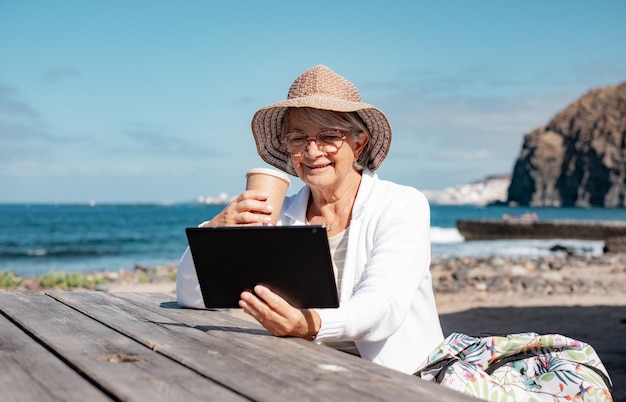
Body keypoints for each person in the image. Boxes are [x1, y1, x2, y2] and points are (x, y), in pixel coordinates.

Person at [176, 65, 444, 375]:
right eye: (299, 137)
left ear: (359, 143)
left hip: (400, 380)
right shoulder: (278, 217)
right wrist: (217, 231)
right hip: (304, 373)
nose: (312, 151)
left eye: (329, 135)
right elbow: (193, 296)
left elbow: (383, 307)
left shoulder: (400, 205)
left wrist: (310, 325)